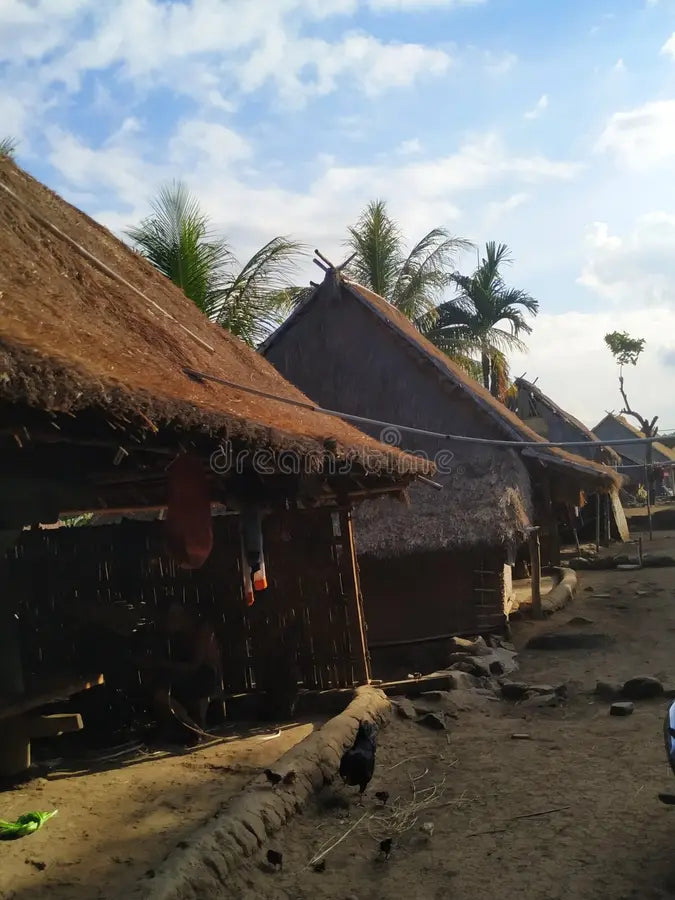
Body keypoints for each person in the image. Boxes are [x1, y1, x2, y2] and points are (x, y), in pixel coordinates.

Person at [138, 602, 222, 742]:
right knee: (159, 690)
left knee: (161, 692)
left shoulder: (202, 629)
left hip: (205, 677)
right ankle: (188, 726)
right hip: (191, 676)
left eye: (171, 619)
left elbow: (194, 666)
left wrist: (163, 664)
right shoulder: (181, 634)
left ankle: (193, 727)